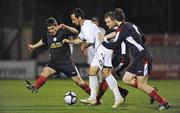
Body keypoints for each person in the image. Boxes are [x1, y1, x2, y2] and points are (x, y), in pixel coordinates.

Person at [99, 8, 170, 110]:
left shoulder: (122, 29)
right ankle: (151, 90)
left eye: (109, 21)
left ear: (115, 19)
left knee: (141, 85)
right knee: (126, 79)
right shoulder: (130, 25)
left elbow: (114, 45)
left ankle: (164, 103)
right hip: (139, 57)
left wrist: (102, 41)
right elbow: (143, 38)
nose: (108, 24)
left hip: (143, 57)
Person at [63, 8, 125, 108]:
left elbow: (90, 40)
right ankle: (92, 98)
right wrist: (69, 41)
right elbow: (79, 39)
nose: (73, 21)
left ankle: (118, 97)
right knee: (92, 72)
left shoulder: (87, 24)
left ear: (79, 18)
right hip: (99, 50)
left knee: (106, 73)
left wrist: (84, 45)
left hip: (103, 49)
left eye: (74, 19)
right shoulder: (83, 27)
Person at [25, 17, 91, 96]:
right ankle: (35, 87)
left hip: (66, 63)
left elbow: (76, 32)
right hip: (54, 63)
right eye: (49, 29)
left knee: (80, 82)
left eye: (52, 28)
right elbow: (43, 41)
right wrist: (34, 46)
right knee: (45, 72)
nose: (51, 31)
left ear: (56, 26)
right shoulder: (48, 34)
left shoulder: (63, 31)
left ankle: (94, 97)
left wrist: (66, 26)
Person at [103, 11, 130, 77]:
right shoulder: (113, 29)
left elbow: (115, 33)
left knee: (107, 74)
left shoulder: (118, 28)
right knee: (106, 74)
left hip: (122, 57)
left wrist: (103, 37)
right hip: (117, 57)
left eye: (108, 22)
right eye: (106, 22)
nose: (107, 24)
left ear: (114, 20)